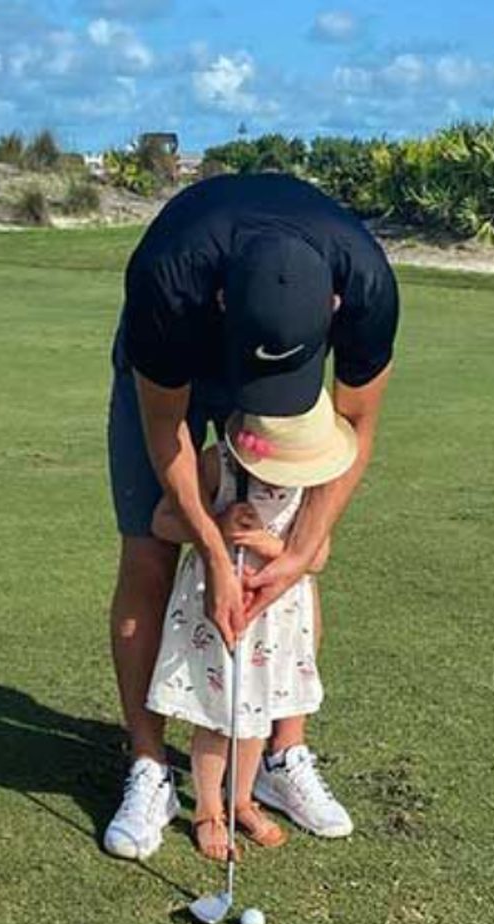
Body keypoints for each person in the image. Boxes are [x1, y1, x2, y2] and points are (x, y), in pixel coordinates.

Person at [104, 171, 398, 862]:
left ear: (332, 305)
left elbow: (355, 423)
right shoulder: (168, 281)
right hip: (177, 371)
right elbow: (165, 426)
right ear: (222, 298)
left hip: (280, 370)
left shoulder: (367, 285)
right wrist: (209, 548)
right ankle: (148, 766)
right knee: (149, 551)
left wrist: (298, 551)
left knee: (291, 563)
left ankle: (279, 760)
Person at [146, 389, 356, 859]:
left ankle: (241, 800)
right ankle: (207, 810)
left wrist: (267, 542)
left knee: (260, 713)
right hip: (219, 614)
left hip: (277, 620)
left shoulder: (310, 479)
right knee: (219, 718)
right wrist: (216, 525)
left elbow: (317, 556)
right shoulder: (216, 464)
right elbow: (163, 522)